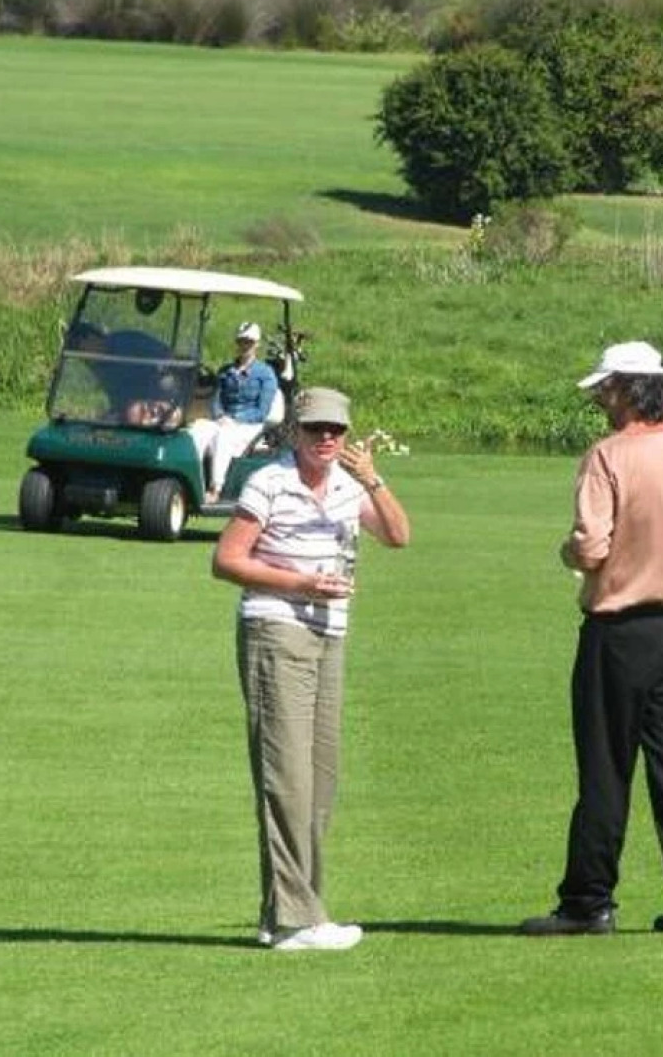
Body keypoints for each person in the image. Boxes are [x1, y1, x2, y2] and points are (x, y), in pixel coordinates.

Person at [521, 340, 663, 937]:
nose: (601, 402)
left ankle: (588, 902)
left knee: (606, 769)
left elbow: (591, 547)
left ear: (629, 390)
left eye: (606, 390)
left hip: (619, 631)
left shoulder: (609, 456)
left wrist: (568, 552)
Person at [211, 386, 410, 953]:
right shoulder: (269, 482)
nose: (327, 438)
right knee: (287, 778)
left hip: (330, 635)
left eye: (336, 430)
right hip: (276, 629)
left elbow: (398, 536)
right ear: (295, 431)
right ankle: (295, 921)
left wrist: (373, 479)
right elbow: (226, 560)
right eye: (316, 428)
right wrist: (302, 584)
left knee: (320, 779)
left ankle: (292, 913)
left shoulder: (349, 486)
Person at [188, 322, 282, 502]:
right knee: (198, 429)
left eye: (249, 342)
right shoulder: (226, 371)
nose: (245, 346)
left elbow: (262, 411)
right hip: (225, 421)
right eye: (242, 341)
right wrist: (220, 416)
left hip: (251, 425)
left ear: (257, 344)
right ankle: (193, 482)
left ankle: (216, 488)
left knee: (224, 435)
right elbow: (216, 400)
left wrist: (235, 418)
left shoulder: (265, 374)